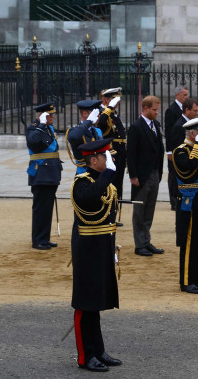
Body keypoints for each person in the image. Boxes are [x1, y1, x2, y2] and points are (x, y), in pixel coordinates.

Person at [70, 137, 122, 372]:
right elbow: (90, 198)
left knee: (97, 303)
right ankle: (85, 355)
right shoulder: (81, 183)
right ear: (94, 160)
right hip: (86, 250)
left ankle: (98, 350)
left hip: (102, 247)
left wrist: (111, 249)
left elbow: (108, 220)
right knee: (85, 304)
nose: (111, 161)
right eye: (106, 157)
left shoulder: (105, 184)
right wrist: (108, 174)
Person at [173, 116, 198, 293]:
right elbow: (188, 172)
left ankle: (196, 278)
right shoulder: (180, 151)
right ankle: (186, 281)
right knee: (189, 241)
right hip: (189, 201)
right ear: (193, 134)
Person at [127, 95, 164, 256]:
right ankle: (139, 244)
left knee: (149, 209)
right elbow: (131, 153)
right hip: (141, 175)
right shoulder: (136, 127)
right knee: (139, 210)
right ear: (146, 108)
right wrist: (133, 175)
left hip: (154, 172)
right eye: (154, 110)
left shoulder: (156, 125)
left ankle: (146, 241)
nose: (157, 112)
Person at [26, 102, 63, 250]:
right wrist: (41, 125)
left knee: (47, 208)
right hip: (41, 172)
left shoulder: (48, 128)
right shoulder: (34, 128)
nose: (52, 117)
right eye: (50, 115)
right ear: (42, 116)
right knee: (40, 208)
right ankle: (38, 240)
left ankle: (44, 238)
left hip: (51, 171)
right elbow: (33, 142)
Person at [96, 88, 128, 209]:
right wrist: (108, 108)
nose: (117, 103)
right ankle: (108, 209)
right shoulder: (103, 114)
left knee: (118, 183)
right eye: (113, 99)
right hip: (111, 154)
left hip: (120, 154)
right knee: (110, 183)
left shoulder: (113, 115)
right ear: (105, 99)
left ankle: (115, 208)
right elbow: (101, 125)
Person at [165, 98, 198, 211]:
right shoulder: (180, 125)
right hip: (180, 161)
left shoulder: (188, 123)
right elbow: (177, 144)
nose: (196, 113)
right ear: (187, 110)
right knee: (175, 180)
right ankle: (175, 201)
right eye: (194, 110)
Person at [164, 85, 190, 208]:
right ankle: (173, 200)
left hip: (182, 146)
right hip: (174, 147)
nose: (186, 97)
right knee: (173, 174)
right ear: (178, 95)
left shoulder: (185, 108)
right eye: (184, 95)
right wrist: (169, 151)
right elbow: (168, 132)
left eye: (187, 95)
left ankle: (180, 196)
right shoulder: (171, 110)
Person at [66, 99, 103, 175]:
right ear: (85, 114)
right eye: (96, 114)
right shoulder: (75, 131)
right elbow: (73, 137)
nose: (99, 116)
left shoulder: (97, 130)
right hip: (84, 173)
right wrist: (88, 122)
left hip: (98, 172)